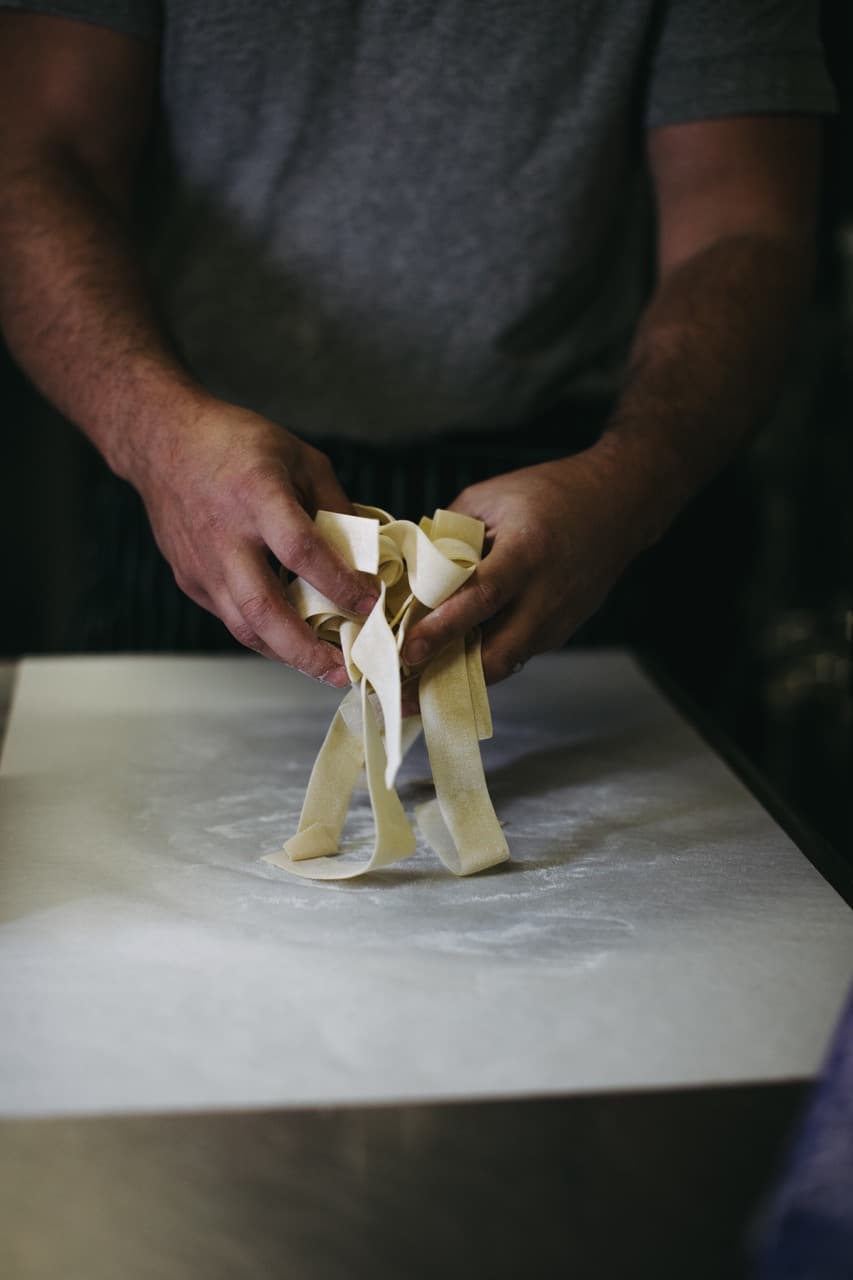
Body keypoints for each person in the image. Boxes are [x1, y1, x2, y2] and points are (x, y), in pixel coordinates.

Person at [0, 2, 837, 691]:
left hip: (580, 500)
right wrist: (151, 432)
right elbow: (33, 155)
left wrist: (635, 478)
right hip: (198, 482)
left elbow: (743, 227)